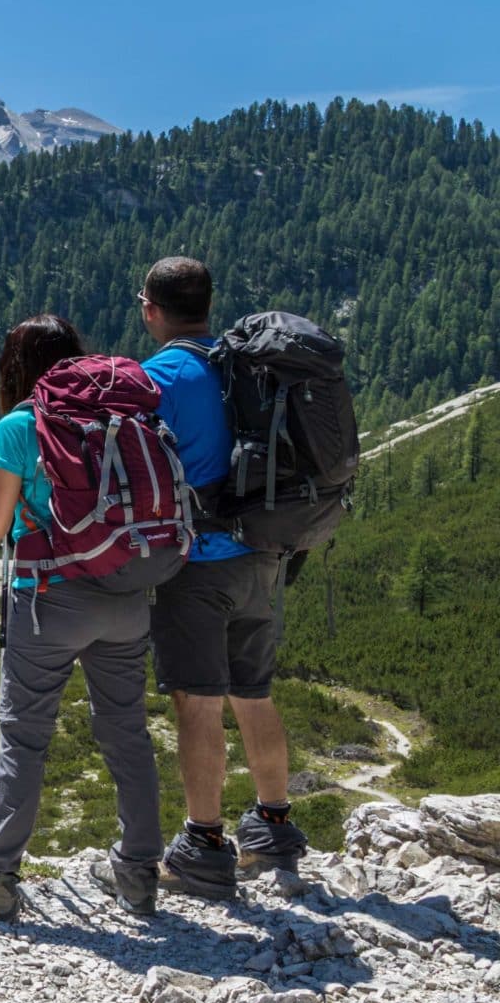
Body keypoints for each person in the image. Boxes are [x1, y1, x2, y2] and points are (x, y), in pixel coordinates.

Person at [0, 315, 177, 920]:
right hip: (125, 589)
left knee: (25, 737)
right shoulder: (124, 411)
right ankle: (140, 873)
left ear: (15, 367)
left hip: (49, 599)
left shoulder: (20, 425)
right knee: (126, 732)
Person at [139, 257, 308, 894]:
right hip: (261, 553)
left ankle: (204, 846)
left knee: (197, 700)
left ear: (150, 308)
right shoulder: (246, 363)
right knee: (253, 691)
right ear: (207, 305)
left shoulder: (163, 375)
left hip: (197, 563)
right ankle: (272, 828)